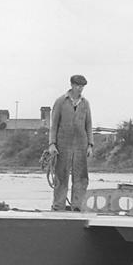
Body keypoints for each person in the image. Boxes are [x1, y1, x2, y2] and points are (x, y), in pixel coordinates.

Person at [48, 74, 94, 211]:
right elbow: (54, 125)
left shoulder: (85, 104)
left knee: (81, 177)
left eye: (82, 86)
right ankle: (58, 207)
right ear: (72, 85)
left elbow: (89, 125)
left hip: (81, 145)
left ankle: (77, 207)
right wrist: (52, 144)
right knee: (61, 176)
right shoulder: (61, 102)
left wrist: (90, 145)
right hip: (62, 145)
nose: (80, 89)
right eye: (78, 86)